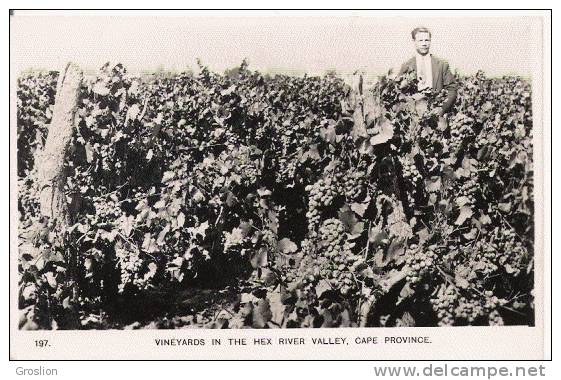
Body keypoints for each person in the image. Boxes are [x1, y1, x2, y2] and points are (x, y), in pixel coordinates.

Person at [398, 26, 458, 116]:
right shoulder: (406, 66)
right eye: (420, 41)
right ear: (414, 42)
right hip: (414, 116)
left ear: (430, 41)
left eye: (427, 40)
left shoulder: (442, 65)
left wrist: (442, 108)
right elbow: (400, 92)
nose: (424, 44)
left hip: (436, 114)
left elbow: (452, 89)